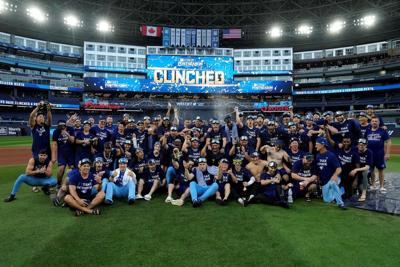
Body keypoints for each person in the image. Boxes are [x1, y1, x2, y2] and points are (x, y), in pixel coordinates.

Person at [315, 137, 346, 210]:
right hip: (325, 181)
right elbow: (318, 169)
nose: (315, 146)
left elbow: (339, 168)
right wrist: (318, 178)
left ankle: (341, 204)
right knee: (327, 200)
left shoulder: (331, 155)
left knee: (333, 183)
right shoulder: (317, 156)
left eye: (317, 144)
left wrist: (335, 175)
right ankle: (341, 190)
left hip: (333, 178)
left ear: (322, 145)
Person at [365, 116, 391, 193]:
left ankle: (382, 186)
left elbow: (388, 141)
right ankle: (373, 185)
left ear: (379, 122)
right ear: (370, 122)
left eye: (376, 121)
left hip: (379, 154)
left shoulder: (382, 131)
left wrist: (388, 153)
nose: (374, 122)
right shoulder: (368, 131)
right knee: (371, 170)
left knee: (381, 170)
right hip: (370, 154)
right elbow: (364, 142)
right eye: (373, 121)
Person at [52, 120, 75, 186]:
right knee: (60, 170)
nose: (62, 127)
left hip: (71, 153)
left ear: (65, 125)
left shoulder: (71, 129)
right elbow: (54, 144)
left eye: (63, 126)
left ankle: (71, 185)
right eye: (60, 126)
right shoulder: (56, 132)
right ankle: (59, 184)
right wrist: (53, 156)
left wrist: (67, 134)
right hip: (61, 154)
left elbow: (73, 141)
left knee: (72, 170)